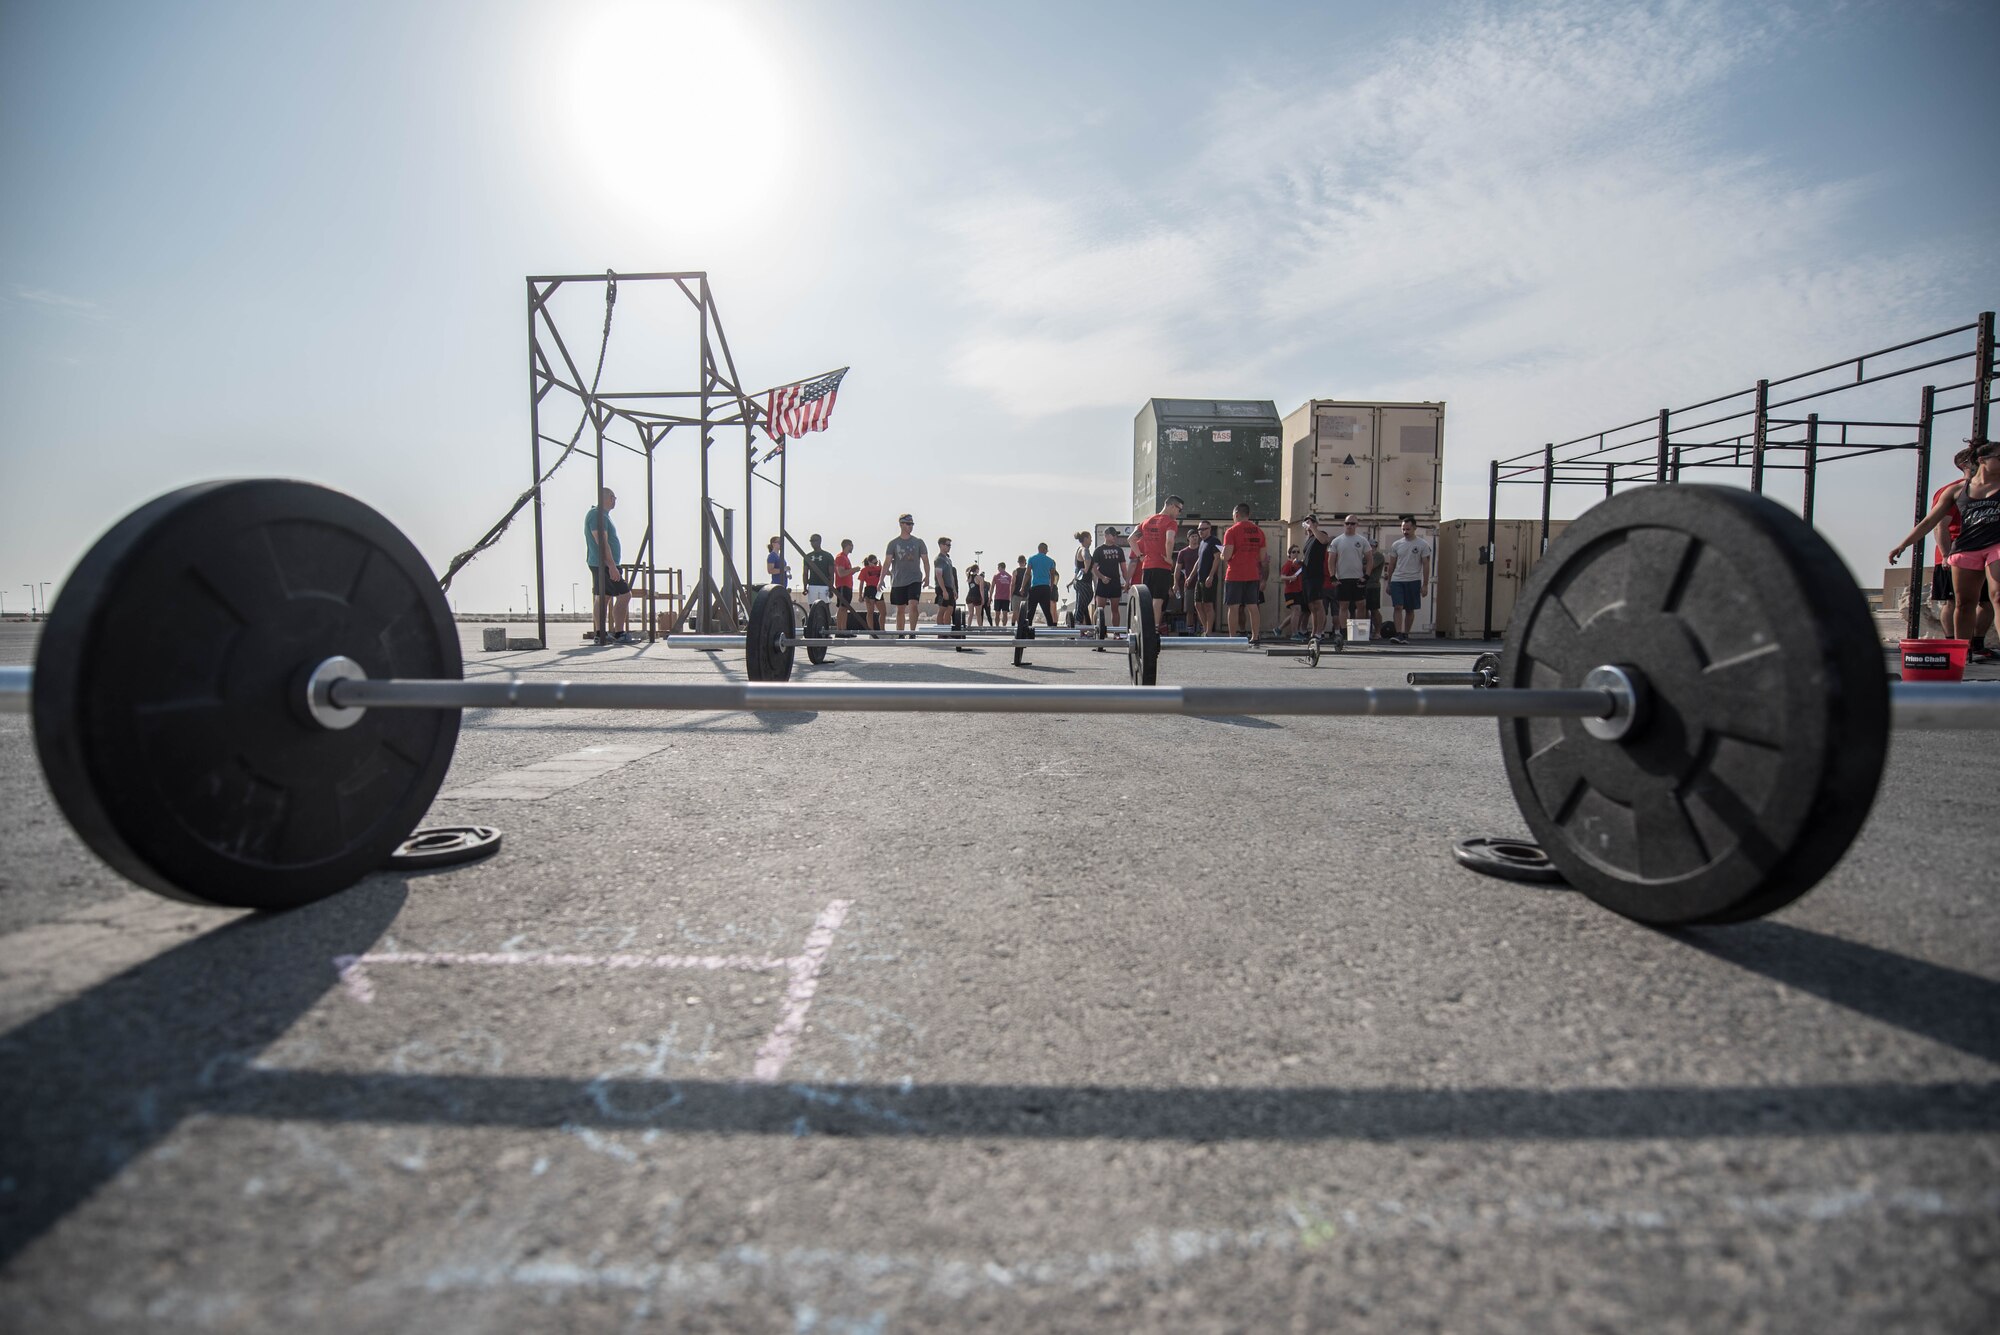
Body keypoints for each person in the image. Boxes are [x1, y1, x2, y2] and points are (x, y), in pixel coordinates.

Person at [1892, 438, 2000, 661]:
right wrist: (1903, 544)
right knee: (1964, 603)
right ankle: (1962, 652)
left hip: (1996, 546)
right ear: (1983, 460)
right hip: (1967, 548)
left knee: (1997, 596)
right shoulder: (1956, 490)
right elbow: (1930, 522)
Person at [1926, 448, 1993, 656]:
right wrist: (1946, 555)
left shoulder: (1989, 489)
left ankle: (1977, 644)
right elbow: (1939, 526)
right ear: (1966, 464)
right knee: (1954, 601)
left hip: (1983, 551)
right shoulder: (1953, 490)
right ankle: (1952, 644)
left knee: (1988, 601)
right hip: (1956, 553)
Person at [584, 486, 634, 645]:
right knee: (624, 595)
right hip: (604, 564)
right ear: (604, 498)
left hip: (605, 563)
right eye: (612, 497)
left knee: (604, 597)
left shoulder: (603, 515)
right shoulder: (597, 515)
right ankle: (618, 633)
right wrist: (611, 565)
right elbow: (602, 542)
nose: (615, 500)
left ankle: (602, 634)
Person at [1217, 502, 1269, 643]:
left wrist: (1222, 555)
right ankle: (1255, 636)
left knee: (1233, 607)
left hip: (1235, 574)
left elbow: (1226, 555)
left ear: (1236, 514)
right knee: (1252, 606)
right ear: (1248, 514)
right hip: (1252, 574)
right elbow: (1262, 557)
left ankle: (1233, 638)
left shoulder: (1232, 531)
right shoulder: (1259, 531)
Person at [1131, 496, 1184, 629]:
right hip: (1161, 566)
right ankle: (1153, 630)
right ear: (1172, 506)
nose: (1179, 513)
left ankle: (1144, 628)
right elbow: (1170, 540)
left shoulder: (1147, 521)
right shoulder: (1170, 522)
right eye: (1179, 510)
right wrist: (1168, 557)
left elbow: (1131, 539)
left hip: (1147, 566)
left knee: (1147, 599)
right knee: (1158, 600)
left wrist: (1140, 556)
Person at [1327, 514, 1375, 643]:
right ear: (1344, 524)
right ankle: (1343, 633)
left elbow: (1370, 559)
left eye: (1352, 523)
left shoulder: (1362, 540)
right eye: (1347, 523)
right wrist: (1332, 576)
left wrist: (1366, 576)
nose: (1349, 526)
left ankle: (1359, 634)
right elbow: (1331, 560)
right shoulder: (1337, 541)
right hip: (1343, 578)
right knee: (1344, 605)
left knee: (1361, 605)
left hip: (1358, 578)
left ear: (1357, 525)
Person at [1385, 515, 1432, 644]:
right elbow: (1392, 565)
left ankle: (1406, 633)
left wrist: (1425, 585)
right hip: (1397, 580)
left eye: (1408, 529)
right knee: (1398, 606)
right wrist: (1389, 583)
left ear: (1414, 528)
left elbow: (1426, 565)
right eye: (1403, 529)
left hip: (1413, 580)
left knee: (1410, 609)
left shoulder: (1422, 545)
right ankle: (1398, 633)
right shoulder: (1397, 544)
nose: (1405, 532)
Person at [884, 513, 930, 637]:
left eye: (912, 524)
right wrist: (881, 579)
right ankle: (900, 633)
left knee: (913, 605)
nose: (911, 526)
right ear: (901, 524)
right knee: (900, 609)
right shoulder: (893, 544)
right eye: (908, 524)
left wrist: (927, 576)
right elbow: (887, 562)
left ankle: (912, 632)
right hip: (898, 580)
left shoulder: (918, 542)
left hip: (914, 578)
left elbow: (926, 561)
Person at [1089, 528, 1127, 637]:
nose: (1115, 537)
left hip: (1115, 582)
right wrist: (1102, 577)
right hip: (1103, 583)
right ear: (1106, 535)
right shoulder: (1098, 550)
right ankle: (1096, 630)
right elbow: (1094, 569)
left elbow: (1124, 568)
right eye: (1113, 535)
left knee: (1115, 609)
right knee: (1100, 608)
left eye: (1116, 535)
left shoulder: (1119, 550)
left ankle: (1116, 633)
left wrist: (1128, 582)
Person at [1299, 517, 1332, 640]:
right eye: (1306, 521)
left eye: (1311, 521)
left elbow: (1325, 541)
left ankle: (1319, 632)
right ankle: (1314, 632)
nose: (1308, 523)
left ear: (1316, 524)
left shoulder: (1321, 534)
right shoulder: (1309, 539)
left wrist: (1312, 527)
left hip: (1316, 576)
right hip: (1307, 575)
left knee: (1318, 604)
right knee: (1311, 606)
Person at [1189, 521, 1223, 635]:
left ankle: (1208, 632)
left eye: (1203, 529)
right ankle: (1205, 629)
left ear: (1209, 529)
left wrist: (1211, 575)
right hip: (1200, 578)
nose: (1200, 532)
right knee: (1197, 604)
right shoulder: (1202, 543)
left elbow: (1217, 559)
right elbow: (1198, 561)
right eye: (1199, 529)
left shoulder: (1215, 541)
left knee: (1208, 604)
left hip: (1209, 578)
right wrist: (1190, 576)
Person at [1171, 529, 1203, 635]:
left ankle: (1202, 630)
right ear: (1188, 538)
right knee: (1189, 610)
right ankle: (1190, 632)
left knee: (1201, 608)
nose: (1195, 538)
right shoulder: (1183, 552)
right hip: (1188, 584)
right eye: (1192, 536)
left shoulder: (1202, 550)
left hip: (1201, 583)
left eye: (1196, 536)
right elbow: (1177, 569)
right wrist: (1175, 583)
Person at [802, 534, 835, 629]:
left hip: (824, 586)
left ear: (820, 541)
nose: (813, 543)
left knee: (825, 608)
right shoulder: (807, 556)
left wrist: (831, 588)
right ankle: (814, 629)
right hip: (812, 585)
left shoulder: (828, 556)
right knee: (812, 608)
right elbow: (805, 572)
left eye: (815, 540)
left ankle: (826, 629)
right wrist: (805, 587)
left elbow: (831, 574)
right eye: (811, 541)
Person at [1024, 544, 1061, 627]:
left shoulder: (1032, 559)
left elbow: (1027, 574)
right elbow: (1052, 576)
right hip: (1045, 588)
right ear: (1044, 549)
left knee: (1031, 611)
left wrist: (1022, 587)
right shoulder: (1050, 561)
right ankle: (1051, 629)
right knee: (1047, 611)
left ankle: (1026, 629)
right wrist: (1050, 587)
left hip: (1035, 587)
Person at [1279, 545, 1307, 639]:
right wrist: (1290, 577)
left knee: (1298, 612)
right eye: (1294, 552)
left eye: (1298, 552)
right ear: (1289, 554)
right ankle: (1294, 633)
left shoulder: (1299, 565)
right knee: (1296, 610)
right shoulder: (1288, 564)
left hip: (1299, 591)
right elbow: (1282, 576)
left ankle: (1280, 628)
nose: (1296, 554)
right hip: (1290, 592)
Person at [933, 536, 959, 627]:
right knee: (942, 609)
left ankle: (947, 632)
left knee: (950, 610)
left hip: (949, 587)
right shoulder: (939, 559)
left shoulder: (948, 560)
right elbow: (939, 575)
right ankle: (941, 633)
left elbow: (951, 576)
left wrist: (954, 589)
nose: (949, 547)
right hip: (942, 587)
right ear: (941, 545)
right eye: (947, 545)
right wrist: (944, 590)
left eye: (950, 545)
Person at [856, 554, 885, 632]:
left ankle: (882, 629)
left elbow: (888, 573)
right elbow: (861, 583)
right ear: (869, 562)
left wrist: (881, 566)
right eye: (874, 563)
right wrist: (860, 595)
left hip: (878, 590)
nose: (875, 564)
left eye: (876, 562)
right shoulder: (865, 570)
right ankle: (871, 629)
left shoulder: (879, 568)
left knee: (883, 611)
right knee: (870, 611)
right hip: (869, 589)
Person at [833, 538, 856, 631]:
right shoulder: (840, 557)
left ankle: (844, 629)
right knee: (842, 607)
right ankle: (839, 629)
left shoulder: (846, 558)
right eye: (851, 545)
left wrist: (853, 571)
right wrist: (853, 570)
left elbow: (847, 572)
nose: (852, 547)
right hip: (842, 586)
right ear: (848, 545)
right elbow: (841, 573)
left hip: (848, 586)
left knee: (845, 607)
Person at [1072, 530, 1094, 627]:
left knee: (1082, 605)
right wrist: (1086, 568)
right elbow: (1087, 558)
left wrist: (1073, 580)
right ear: (1085, 539)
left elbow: (1076, 568)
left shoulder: (1079, 549)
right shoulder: (1084, 549)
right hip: (1083, 582)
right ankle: (1077, 624)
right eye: (1090, 538)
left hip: (1080, 582)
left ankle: (1086, 626)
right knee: (1082, 604)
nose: (1091, 540)